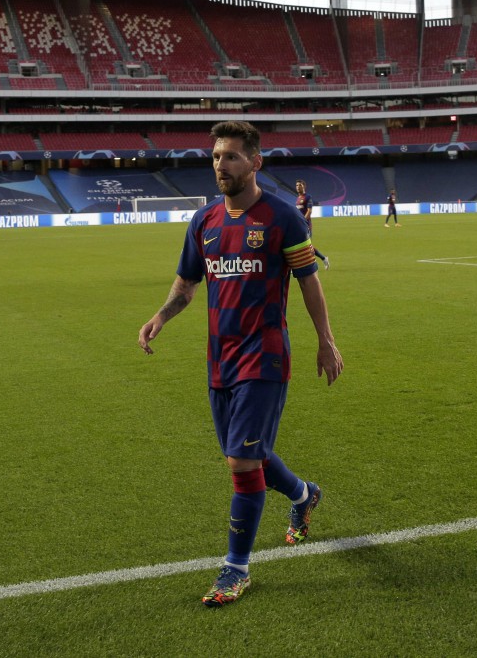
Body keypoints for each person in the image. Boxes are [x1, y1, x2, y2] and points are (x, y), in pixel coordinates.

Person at [138, 121, 343, 608]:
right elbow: (187, 284)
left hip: (265, 355)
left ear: (255, 162)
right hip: (219, 360)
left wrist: (325, 341)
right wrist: (160, 317)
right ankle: (302, 494)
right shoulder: (204, 221)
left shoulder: (281, 218)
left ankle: (235, 568)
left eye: (230, 156)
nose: (220, 165)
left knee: (241, 461)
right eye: (215, 156)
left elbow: (309, 281)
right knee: (247, 452)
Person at [295, 180, 330, 270]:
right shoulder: (298, 198)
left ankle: (321, 259)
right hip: (299, 226)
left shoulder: (308, 197)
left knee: (306, 246)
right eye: (297, 185)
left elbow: (309, 211)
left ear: (304, 186)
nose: (298, 187)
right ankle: (323, 258)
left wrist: (302, 221)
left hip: (306, 226)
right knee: (300, 246)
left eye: (300, 185)